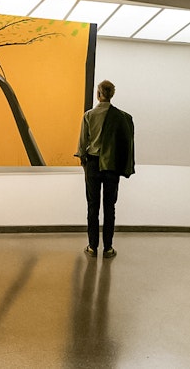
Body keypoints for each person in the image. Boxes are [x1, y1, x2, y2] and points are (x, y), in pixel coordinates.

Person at [75, 80, 135, 258]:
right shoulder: (123, 117)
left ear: (98, 94)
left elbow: (82, 145)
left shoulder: (89, 115)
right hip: (112, 166)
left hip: (93, 164)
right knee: (110, 207)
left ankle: (92, 247)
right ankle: (108, 248)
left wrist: (84, 162)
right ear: (112, 95)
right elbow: (126, 144)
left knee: (93, 206)